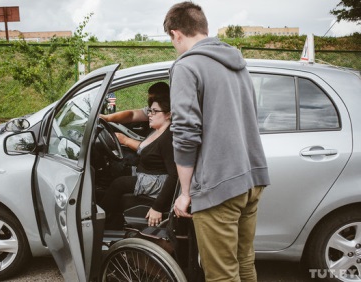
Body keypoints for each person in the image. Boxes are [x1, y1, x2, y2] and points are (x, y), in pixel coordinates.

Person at [164, 2, 270, 281]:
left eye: (172, 40)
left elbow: (185, 133)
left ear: (176, 34)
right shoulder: (237, 62)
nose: (175, 46)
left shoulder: (186, 66)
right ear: (203, 28)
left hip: (219, 185)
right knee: (244, 263)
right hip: (252, 178)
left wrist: (185, 193)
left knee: (222, 275)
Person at [99, 82, 178, 230]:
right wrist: (107, 118)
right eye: (149, 111)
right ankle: (112, 215)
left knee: (119, 183)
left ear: (168, 114)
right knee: (116, 173)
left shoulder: (168, 138)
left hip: (155, 181)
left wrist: (157, 207)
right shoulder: (157, 129)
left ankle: (99, 220)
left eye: (154, 111)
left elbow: (174, 174)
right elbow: (132, 115)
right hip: (147, 173)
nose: (149, 114)